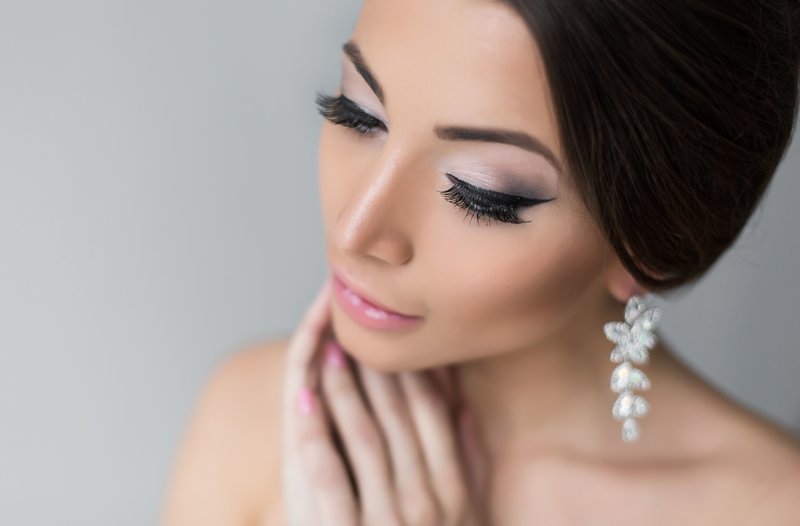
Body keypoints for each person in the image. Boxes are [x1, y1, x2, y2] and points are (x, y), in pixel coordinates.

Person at [161, 0, 800, 524]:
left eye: (480, 193)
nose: (357, 229)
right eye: (357, 113)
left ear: (650, 242)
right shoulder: (256, 422)